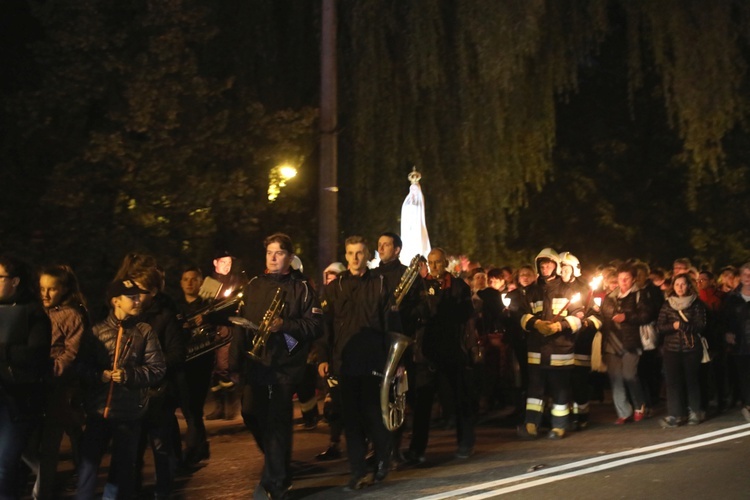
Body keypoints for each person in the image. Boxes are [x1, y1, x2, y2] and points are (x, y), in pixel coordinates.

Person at [229, 233, 323, 499]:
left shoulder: (302, 286)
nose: (272, 257)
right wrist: (234, 364)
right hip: (256, 362)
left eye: (278, 253)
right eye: (269, 252)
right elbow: (241, 324)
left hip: (285, 364)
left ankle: (275, 482)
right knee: (250, 413)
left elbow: (315, 326)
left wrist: (285, 325)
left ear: (290, 257)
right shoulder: (254, 285)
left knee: (278, 422)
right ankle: (278, 463)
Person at [75, 279, 165, 500]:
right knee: (87, 468)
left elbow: (157, 369)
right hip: (98, 412)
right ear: (116, 301)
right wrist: (99, 376)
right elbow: (80, 367)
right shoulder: (95, 331)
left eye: (138, 296)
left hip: (129, 413)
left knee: (122, 470)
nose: (137, 301)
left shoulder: (144, 332)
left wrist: (128, 375)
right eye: (131, 297)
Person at [317, 236, 392, 489]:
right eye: (350, 253)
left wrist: (396, 361)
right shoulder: (334, 288)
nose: (355, 258)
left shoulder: (380, 284)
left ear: (366, 254)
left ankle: (383, 459)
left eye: (359, 253)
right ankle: (357, 470)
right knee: (351, 420)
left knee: (373, 416)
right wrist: (323, 357)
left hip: (373, 360)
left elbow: (390, 325)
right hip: (345, 362)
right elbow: (324, 327)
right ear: (346, 255)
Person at [114, 255, 186, 499]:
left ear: (154, 292)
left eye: (141, 291)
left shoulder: (165, 314)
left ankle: (163, 490)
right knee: (130, 450)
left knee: (160, 447)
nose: (135, 295)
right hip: (128, 393)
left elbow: (177, 353)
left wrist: (149, 367)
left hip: (157, 393)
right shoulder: (125, 311)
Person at [406, 247, 476, 461]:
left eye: (438, 262)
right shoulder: (420, 287)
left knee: (458, 399)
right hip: (426, 353)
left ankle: (465, 442)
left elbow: (466, 315)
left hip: (450, 350)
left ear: (445, 263)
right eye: (430, 262)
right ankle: (417, 449)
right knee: (423, 404)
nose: (434, 266)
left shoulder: (458, 287)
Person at [23, 265, 87, 500]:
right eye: (42, 288)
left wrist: (52, 370)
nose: (45, 294)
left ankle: (42, 492)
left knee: (51, 444)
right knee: (24, 442)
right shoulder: (33, 311)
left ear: (64, 290)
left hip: (57, 386)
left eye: (52, 289)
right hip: (29, 383)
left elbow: (71, 351)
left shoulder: (71, 315)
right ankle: (45, 479)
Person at [0, 254, 52, 499]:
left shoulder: (33, 313)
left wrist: (4, 350)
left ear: (15, 281)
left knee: (4, 465)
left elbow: (36, 355)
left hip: (18, 402)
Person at [517, 248, 583, 440]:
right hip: (537, 349)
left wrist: (559, 327)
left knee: (559, 388)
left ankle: (559, 426)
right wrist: (536, 323)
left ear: (556, 266)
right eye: (542, 265)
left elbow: (578, 318)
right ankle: (531, 424)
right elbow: (521, 315)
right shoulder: (531, 291)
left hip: (561, 348)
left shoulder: (568, 290)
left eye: (549, 264)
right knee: (535, 388)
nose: (545, 268)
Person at [600, 263, 650, 425]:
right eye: (620, 279)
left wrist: (626, 317)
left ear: (633, 279)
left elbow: (646, 315)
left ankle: (639, 405)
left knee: (629, 374)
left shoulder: (639, 295)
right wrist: (615, 314)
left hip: (631, 341)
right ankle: (623, 411)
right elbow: (605, 310)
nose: (623, 282)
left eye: (627, 279)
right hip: (612, 342)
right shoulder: (611, 297)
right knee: (616, 378)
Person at [174, 266, 213, 466]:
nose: (190, 283)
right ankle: (200, 445)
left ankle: (193, 449)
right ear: (181, 283)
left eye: (194, 279)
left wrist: (208, 320)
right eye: (186, 279)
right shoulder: (175, 307)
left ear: (201, 282)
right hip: (183, 362)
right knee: (190, 408)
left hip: (202, 362)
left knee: (194, 407)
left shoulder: (208, 305)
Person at [657, 273, 707, 427]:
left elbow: (701, 325)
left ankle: (694, 412)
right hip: (671, 348)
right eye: (677, 284)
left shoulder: (697, 304)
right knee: (673, 382)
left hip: (691, 348)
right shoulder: (667, 304)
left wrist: (683, 326)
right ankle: (675, 414)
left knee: (691, 380)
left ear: (688, 286)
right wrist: (673, 326)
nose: (679, 287)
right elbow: (660, 326)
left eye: (683, 284)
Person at [205, 250, 245, 421]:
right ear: (215, 262)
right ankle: (219, 407)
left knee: (225, 367)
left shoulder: (235, 281)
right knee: (214, 370)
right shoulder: (210, 282)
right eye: (223, 262)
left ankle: (232, 407)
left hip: (228, 330)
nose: (227, 266)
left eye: (229, 263)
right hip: (212, 331)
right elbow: (202, 306)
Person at [314, 262, 347, 461]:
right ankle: (334, 443)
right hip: (334, 358)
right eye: (328, 277)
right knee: (333, 404)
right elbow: (323, 331)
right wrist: (322, 358)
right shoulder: (324, 300)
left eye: (334, 277)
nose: (330, 281)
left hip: (350, 358)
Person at [722, 262, 750, 422]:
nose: (748, 278)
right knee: (744, 374)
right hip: (741, 342)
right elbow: (727, 318)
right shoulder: (733, 298)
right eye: (745, 274)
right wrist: (728, 333)